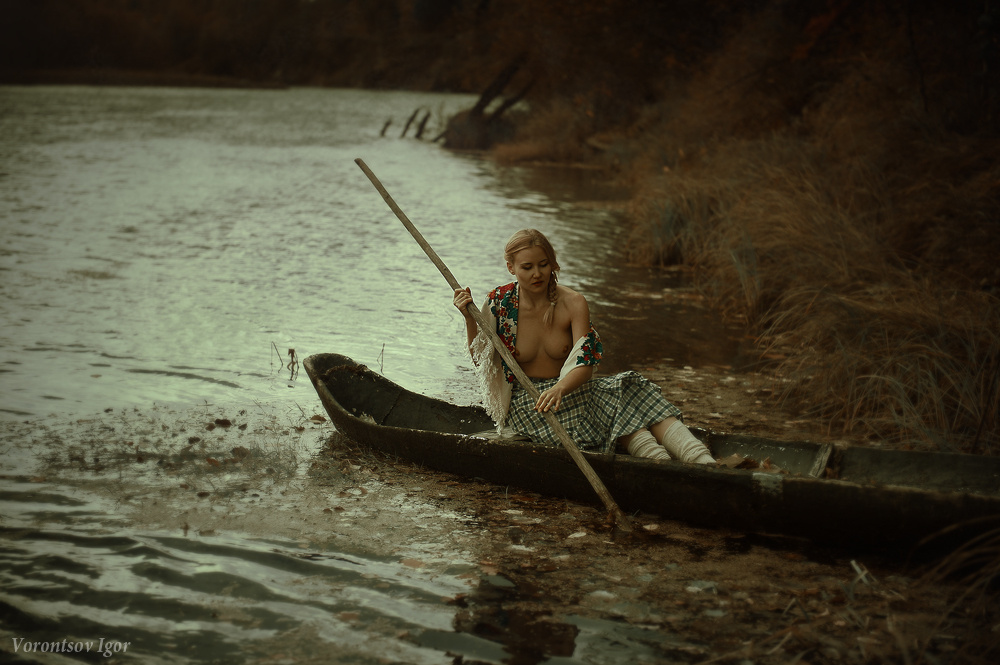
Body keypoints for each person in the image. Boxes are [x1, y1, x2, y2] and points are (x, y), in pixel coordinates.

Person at [453, 228, 716, 463]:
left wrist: (559, 388)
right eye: (527, 267)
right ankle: (666, 462)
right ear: (511, 268)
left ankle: (695, 461)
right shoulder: (499, 303)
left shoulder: (574, 302)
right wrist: (469, 319)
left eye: (543, 265)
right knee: (621, 400)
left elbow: (585, 363)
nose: (537, 274)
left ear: (552, 264)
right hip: (531, 404)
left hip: (568, 391)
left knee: (628, 386)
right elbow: (481, 360)